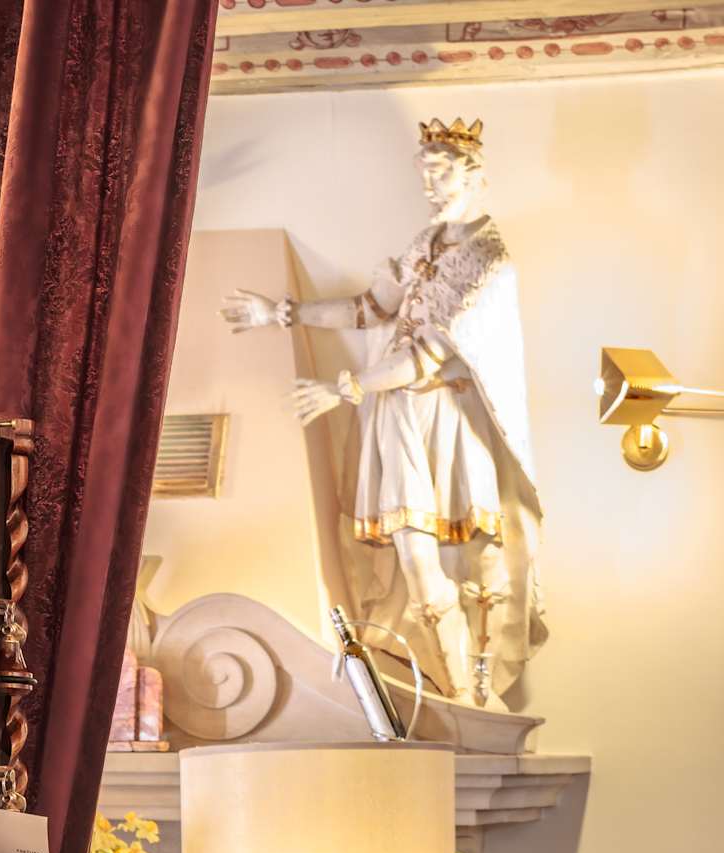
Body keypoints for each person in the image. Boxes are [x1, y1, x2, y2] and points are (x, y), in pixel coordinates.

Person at [221, 117, 546, 707]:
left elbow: (431, 352)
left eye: (440, 172)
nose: (428, 184)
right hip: (396, 415)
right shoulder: (425, 244)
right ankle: (455, 698)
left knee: (473, 565)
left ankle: (473, 698)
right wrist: (282, 314)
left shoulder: (488, 259)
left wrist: (344, 388)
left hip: (448, 420)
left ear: (474, 174)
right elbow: (371, 308)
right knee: (415, 563)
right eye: (424, 172)